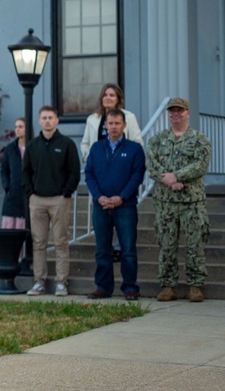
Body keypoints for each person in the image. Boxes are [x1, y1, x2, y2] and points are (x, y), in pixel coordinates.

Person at [147, 97, 212, 302]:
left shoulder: (199, 139)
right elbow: (151, 164)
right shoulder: (158, 140)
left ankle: (195, 286)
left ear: (188, 113)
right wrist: (169, 181)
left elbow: (201, 165)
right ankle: (168, 286)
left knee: (194, 246)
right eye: (172, 111)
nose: (175, 114)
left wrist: (177, 176)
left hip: (192, 203)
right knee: (166, 246)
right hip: (165, 202)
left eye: (180, 111)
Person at [83, 109, 145, 300]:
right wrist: (98, 196)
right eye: (110, 123)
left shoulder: (135, 149)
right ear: (105, 125)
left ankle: (130, 288)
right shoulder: (96, 148)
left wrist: (122, 197)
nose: (114, 127)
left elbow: (137, 176)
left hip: (125, 206)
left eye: (117, 123)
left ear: (124, 125)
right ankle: (103, 287)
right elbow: (89, 174)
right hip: (101, 206)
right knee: (102, 249)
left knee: (127, 250)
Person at [22, 105, 80, 296]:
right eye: (44, 118)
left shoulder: (66, 144)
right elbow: (25, 172)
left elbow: (74, 172)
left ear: (57, 120)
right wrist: (30, 192)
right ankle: (39, 282)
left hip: (59, 200)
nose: (47, 121)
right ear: (39, 121)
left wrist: (66, 192)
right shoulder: (32, 145)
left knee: (61, 242)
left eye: (51, 118)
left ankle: (61, 282)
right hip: (37, 200)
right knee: (38, 243)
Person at [80, 83, 143, 162]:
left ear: (118, 99)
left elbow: (137, 142)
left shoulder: (129, 117)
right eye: (105, 95)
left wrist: (127, 159)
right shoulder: (92, 119)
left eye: (111, 95)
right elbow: (85, 143)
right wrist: (91, 157)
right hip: (99, 164)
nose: (107, 98)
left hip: (122, 164)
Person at [0, 118, 27, 230]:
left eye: (20, 127)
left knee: (24, 231)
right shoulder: (10, 148)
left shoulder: (33, 147)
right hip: (12, 196)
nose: (17, 129)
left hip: (27, 197)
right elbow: (3, 170)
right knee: (9, 232)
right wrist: (7, 186)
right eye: (16, 127)